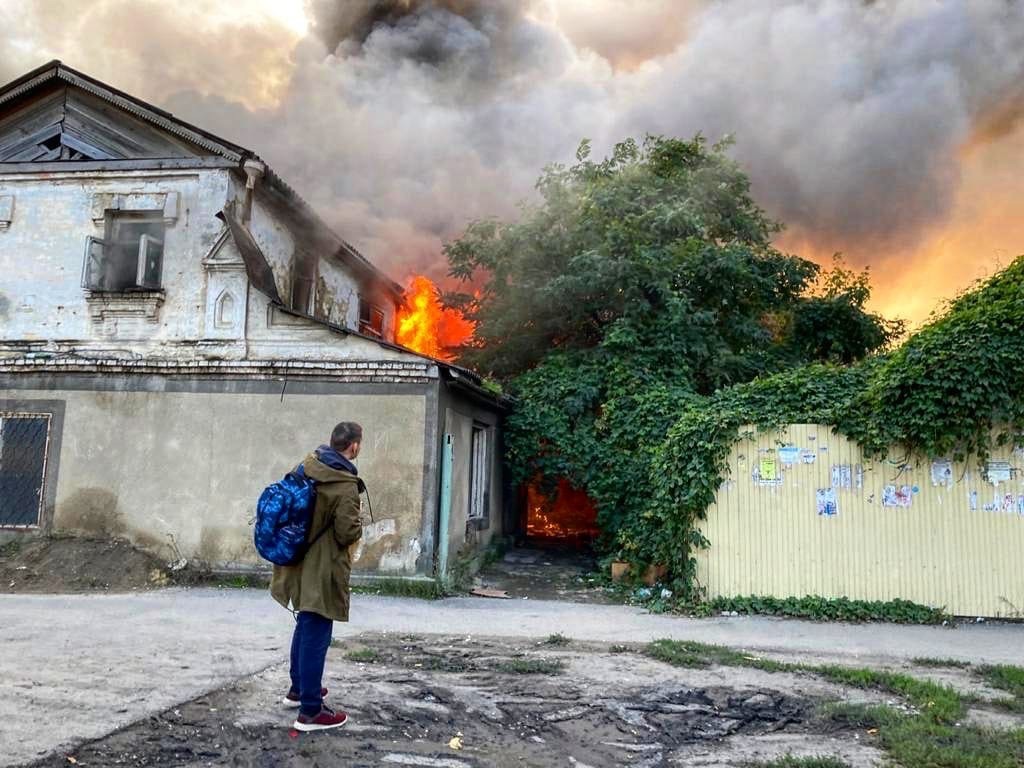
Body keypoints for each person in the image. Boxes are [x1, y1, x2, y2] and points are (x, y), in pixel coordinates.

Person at [270, 421, 364, 732]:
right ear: (353, 446)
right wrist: (359, 524)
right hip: (322, 565)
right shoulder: (345, 483)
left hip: (295, 559)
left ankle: (299, 690)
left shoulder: (307, 465)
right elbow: (346, 531)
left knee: (305, 623)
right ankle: (311, 711)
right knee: (316, 630)